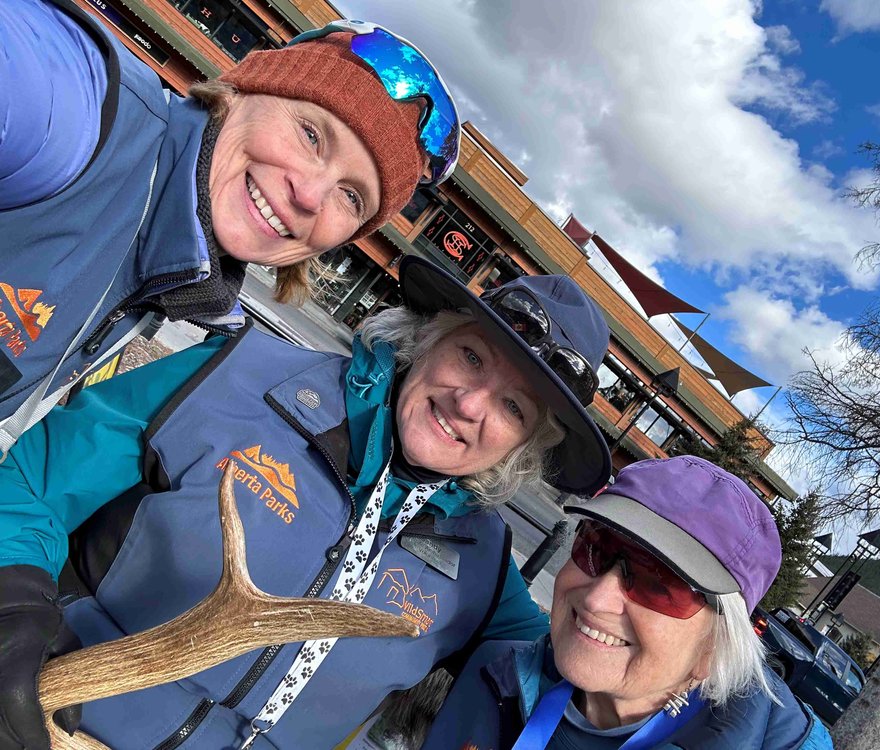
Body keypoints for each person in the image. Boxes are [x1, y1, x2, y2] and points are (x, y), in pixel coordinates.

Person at [0, 255, 613, 749]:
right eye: (472, 357)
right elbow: (33, 484)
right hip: (55, 725)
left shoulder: (484, 567)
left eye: (513, 407)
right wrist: (14, 613)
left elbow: (583, 685)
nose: (470, 404)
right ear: (431, 337)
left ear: (527, 445)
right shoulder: (236, 375)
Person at [0, 0, 460, 454]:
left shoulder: (180, 272)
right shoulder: (81, 116)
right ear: (241, 91)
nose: (309, 195)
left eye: (351, 196)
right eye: (311, 134)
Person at [422, 456, 835, 749]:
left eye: (658, 584)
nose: (599, 597)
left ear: (714, 648)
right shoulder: (492, 676)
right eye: (596, 548)